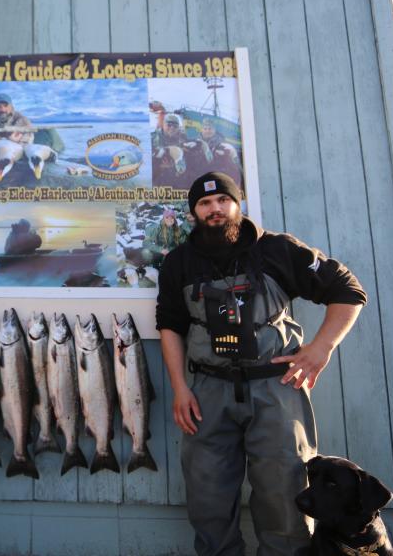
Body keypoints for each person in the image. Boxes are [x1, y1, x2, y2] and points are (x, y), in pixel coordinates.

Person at [156, 172, 366, 556]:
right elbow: (170, 325)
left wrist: (320, 349)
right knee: (207, 495)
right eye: (205, 203)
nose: (215, 209)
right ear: (193, 213)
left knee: (286, 491)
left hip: (276, 388)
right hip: (207, 392)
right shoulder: (178, 263)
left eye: (223, 200)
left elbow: (347, 290)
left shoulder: (276, 249)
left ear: (237, 204)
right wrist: (180, 388)